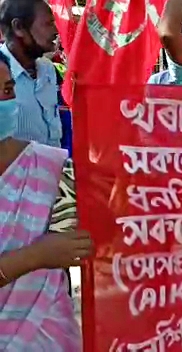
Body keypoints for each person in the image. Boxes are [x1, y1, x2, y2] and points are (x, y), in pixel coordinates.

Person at [0, 49, 92, 350]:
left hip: (48, 337)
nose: (5, 102)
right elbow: (45, 254)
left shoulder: (52, 166)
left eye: (8, 89)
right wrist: (36, 256)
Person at [0, 0, 61, 147]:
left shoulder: (47, 70)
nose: (55, 31)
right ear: (19, 27)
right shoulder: (2, 75)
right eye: (48, 23)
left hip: (52, 167)